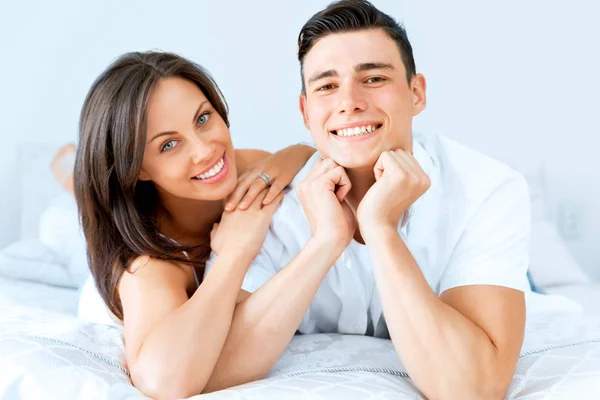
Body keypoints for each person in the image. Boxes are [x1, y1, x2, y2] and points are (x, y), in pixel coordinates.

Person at [202, 1, 531, 399]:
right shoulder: (267, 204)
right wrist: (325, 242)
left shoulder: (487, 189)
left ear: (416, 93)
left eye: (373, 78)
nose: (349, 101)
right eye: (326, 86)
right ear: (306, 112)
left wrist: (380, 229)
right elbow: (214, 371)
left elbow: (472, 388)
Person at [73, 51, 315, 399]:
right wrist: (234, 255)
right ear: (137, 169)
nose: (205, 150)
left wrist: (293, 151)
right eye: (169, 144)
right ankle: (66, 169)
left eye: (203, 118)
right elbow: (163, 383)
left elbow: (307, 157)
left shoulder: (240, 170)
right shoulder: (148, 267)